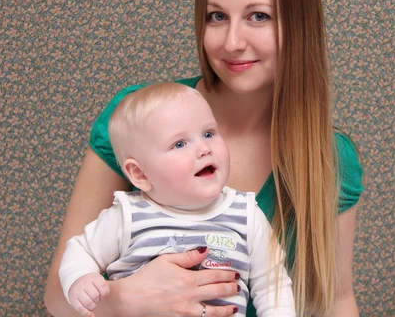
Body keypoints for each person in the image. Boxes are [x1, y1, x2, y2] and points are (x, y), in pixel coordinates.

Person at [44, 0, 364, 317]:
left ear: (299, 27)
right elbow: (59, 299)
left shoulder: (331, 158)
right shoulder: (136, 118)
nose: (231, 42)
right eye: (216, 16)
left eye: (258, 16)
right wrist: (127, 301)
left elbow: (335, 299)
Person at [59, 83, 295, 317]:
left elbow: (273, 286)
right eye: (179, 144)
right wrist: (80, 279)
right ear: (140, 174)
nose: (204, 148)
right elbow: (81, 250)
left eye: (208, 133)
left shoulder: (246, 214)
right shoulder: (128, 215)